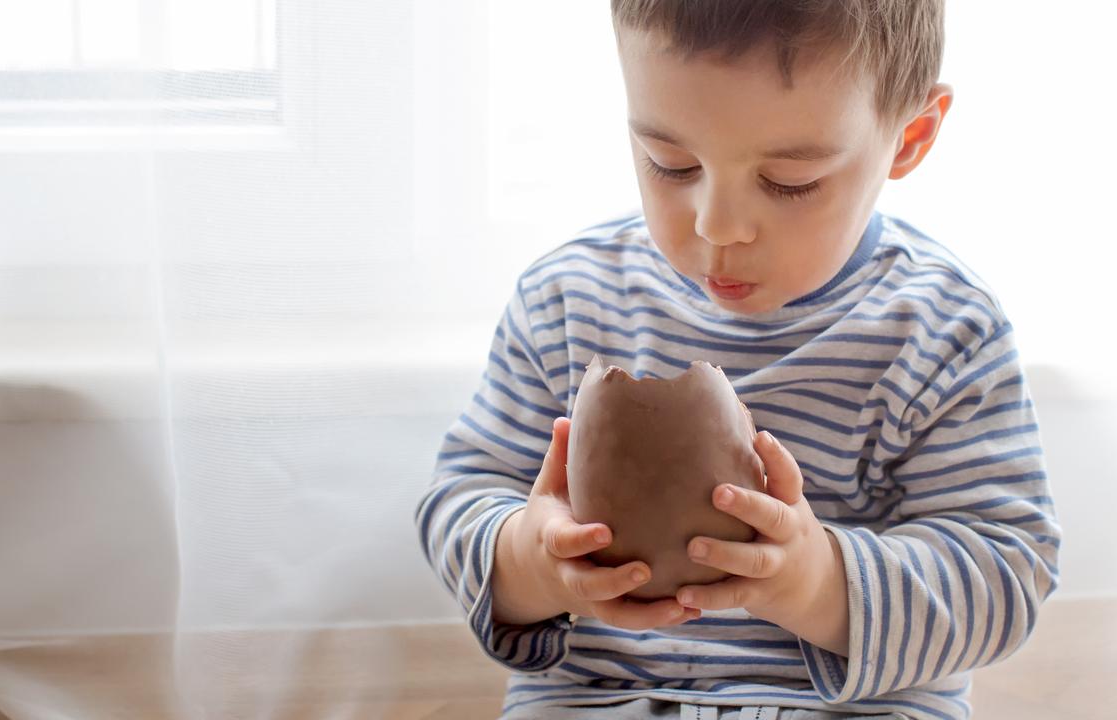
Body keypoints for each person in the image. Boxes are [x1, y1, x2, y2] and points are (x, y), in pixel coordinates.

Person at [413, 2, 1061, 718]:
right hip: (607, 697)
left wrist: (817, 584)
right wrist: (531, 561)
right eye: (670, 164)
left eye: (790, 180)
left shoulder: (943, 329)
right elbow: (461, 496)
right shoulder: (566, 301)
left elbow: (1006, 569)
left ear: (908, 137)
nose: (716, 226)